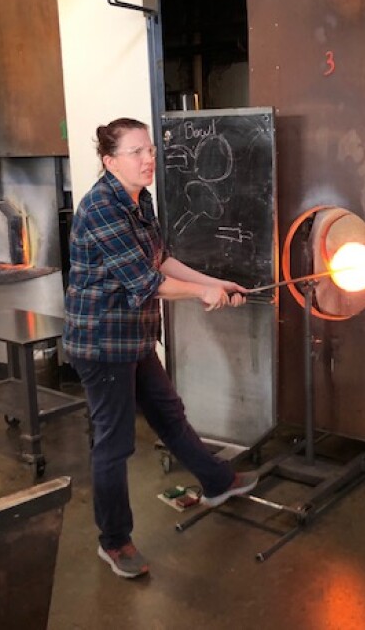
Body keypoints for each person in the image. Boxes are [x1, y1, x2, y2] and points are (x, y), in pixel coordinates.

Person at [63, 117, 259, 579]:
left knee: (169, 413)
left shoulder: (138, 199)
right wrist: (200, 295)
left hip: (133, 335)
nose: (148, 159)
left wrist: (213, 282)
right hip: (102, 342)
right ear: (110, 162)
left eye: (149, 149)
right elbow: (145, 281)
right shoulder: (100, 210)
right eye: (136, 152)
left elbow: (160, 258)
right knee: (115, 444)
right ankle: (114, 542)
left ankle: (217, 481)